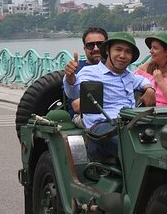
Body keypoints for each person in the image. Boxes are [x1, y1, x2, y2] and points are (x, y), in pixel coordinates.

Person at [63, 32, 156, 162]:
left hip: (130, 123)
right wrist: (70, 76)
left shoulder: (129, 75)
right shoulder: (90, 72)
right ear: (107, 51)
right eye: (118, 50)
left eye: (128, 52)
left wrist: (150, 90)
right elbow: (73, 92)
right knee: (129, 146)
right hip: (102, 126)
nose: (123, 55)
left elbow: (143, 81)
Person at [68, 27, 108, 122]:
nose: (96, 49)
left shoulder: (116, 68)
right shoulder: (76, 71)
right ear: (85, 49)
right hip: (86, 117)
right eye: (90, 45)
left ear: (107, 47)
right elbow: (77, 106)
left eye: (100, 44)